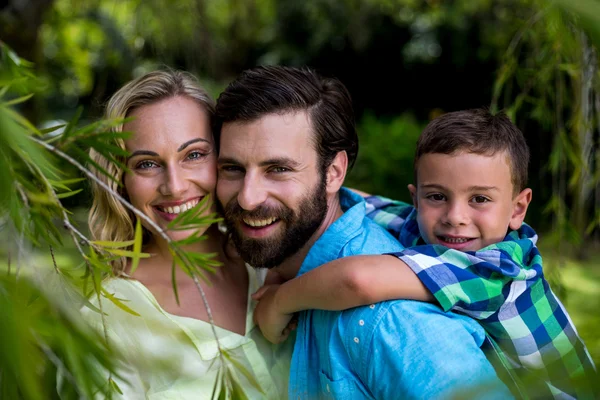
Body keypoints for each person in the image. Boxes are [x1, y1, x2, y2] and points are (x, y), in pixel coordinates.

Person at [252, 108, 598, 399]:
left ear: (518, 209)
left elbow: (358, 281)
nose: (455, 216)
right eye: (437, 196)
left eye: (479, 199)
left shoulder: (496, 270)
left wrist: (280, 301)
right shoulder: (420, 222)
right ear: (416, 198)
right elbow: (349, 199)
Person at [214, 65, 513, 399]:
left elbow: (356, 282)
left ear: (334, 173)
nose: (248, 198)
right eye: (232, 169)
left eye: (279, 169)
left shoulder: (392, 320)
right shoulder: (273, 260)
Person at [85, 69, 292, 399]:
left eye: (194, 155)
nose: (175, 186)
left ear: (224, 155)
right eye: (146, 164)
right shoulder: (109, 319)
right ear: (120, 180)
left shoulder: (272, 258)